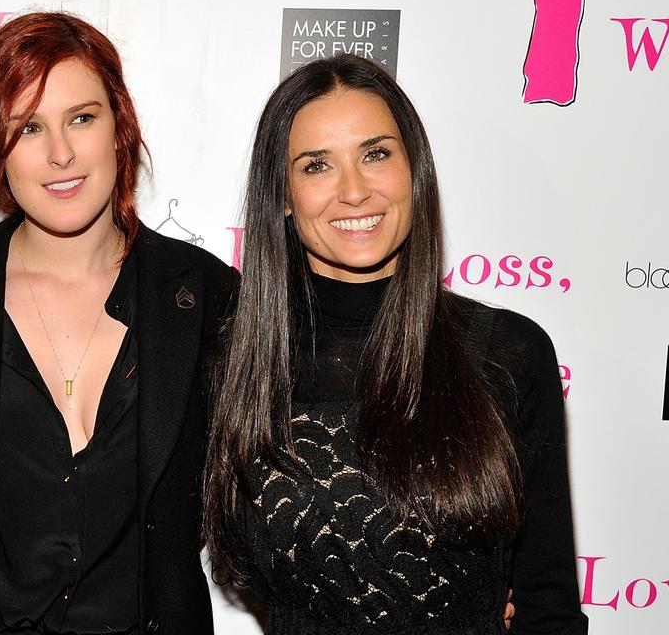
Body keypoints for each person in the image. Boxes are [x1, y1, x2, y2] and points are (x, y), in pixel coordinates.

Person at [203, 54, 587, 634]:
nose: (354, 191)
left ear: (415, 171)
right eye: (316, 166)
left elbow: (547, 604)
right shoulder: (234, 364)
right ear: (282, 196)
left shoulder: (508, 353)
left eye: (376, 154)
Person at [0, 12, 238, 635]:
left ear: (119, 125)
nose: (60, 153)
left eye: (81, 118)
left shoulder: (205, 296)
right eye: (29, 127)